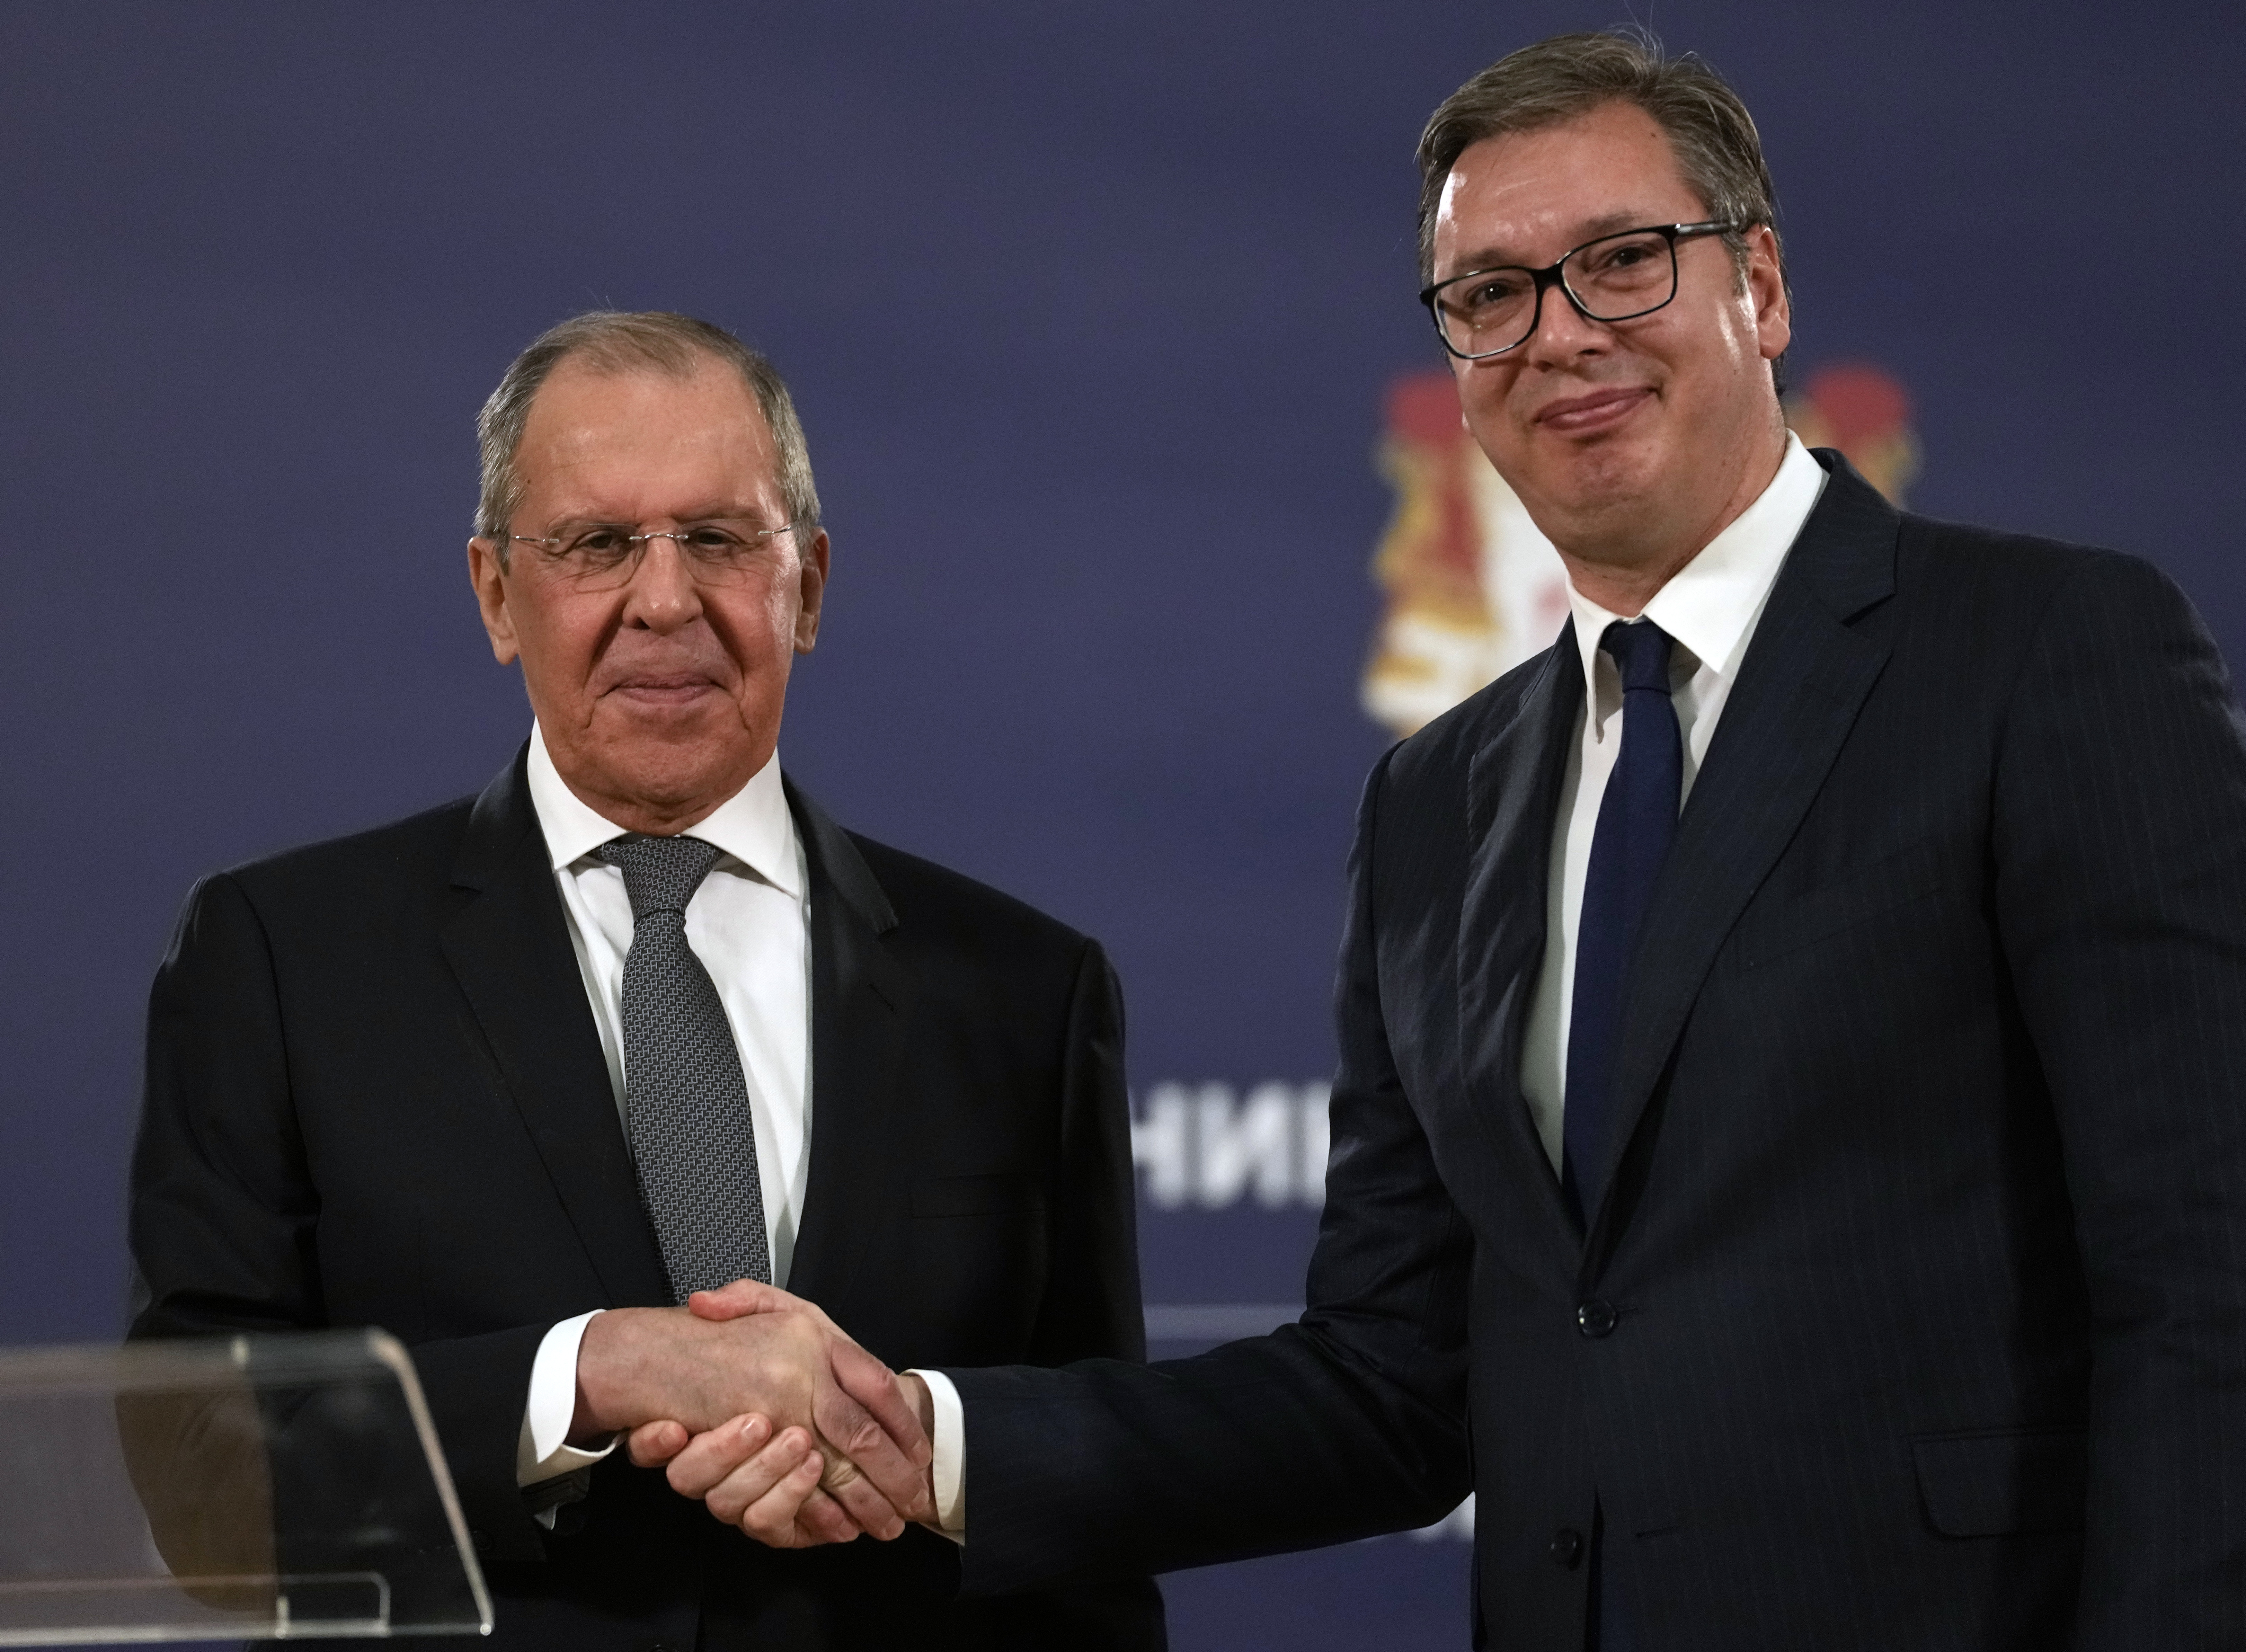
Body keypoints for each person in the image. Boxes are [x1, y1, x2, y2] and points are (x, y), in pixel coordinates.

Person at [670, 31, 2246, 1650]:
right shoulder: (1437, 800)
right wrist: (927, 1439)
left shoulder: (2044, 651)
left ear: (1757, 289)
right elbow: (1390, 1378)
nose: (1558, 336)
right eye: (1490, 294)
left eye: (1622, 264)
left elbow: (2204, 1284)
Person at [126, 310, 1165, 1651]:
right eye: (596, 544)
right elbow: (202, 1474)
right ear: (498, 593)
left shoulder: (1025, 987)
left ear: (809, 584)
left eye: (720, 538)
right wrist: (586, 1372)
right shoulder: (281, 951)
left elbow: (1086, 1513)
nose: (664, 598)